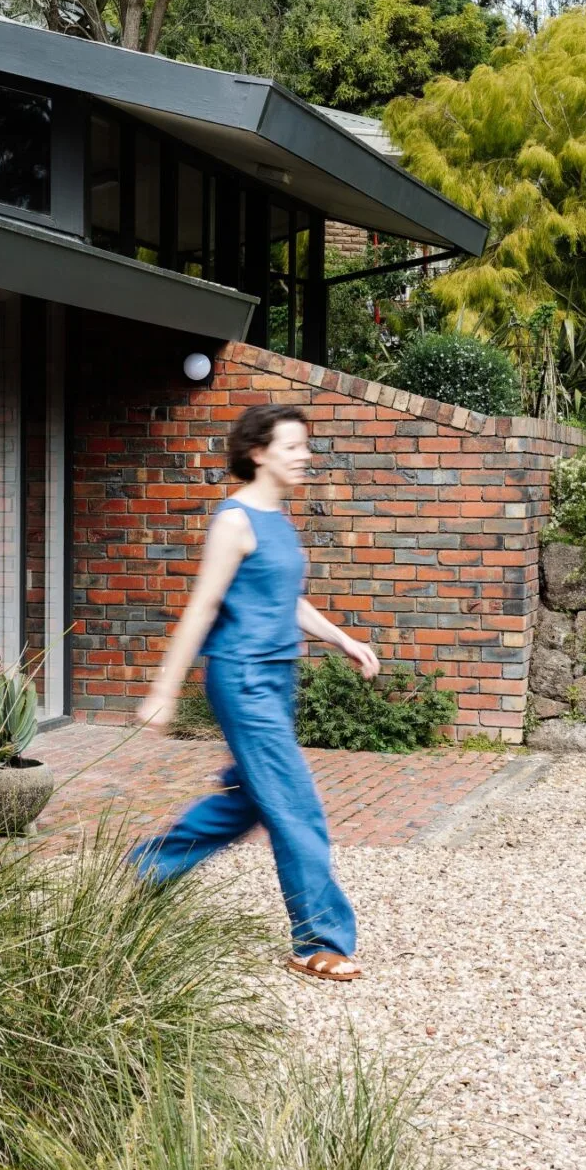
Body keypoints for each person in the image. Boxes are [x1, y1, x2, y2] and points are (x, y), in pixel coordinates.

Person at [129, 402, 379, 981]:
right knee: (295, 806)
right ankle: (318, 940)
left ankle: (148, 867)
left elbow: (285, 600)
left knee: (249, 799)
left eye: (305, 446)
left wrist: (343, 640)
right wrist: (163, 689)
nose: (305, 456)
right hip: (242, 678)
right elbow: (203, 606)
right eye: (292, 446)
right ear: (259, 452)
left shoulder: (278, 520)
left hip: (274, 677)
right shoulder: (235, 521)